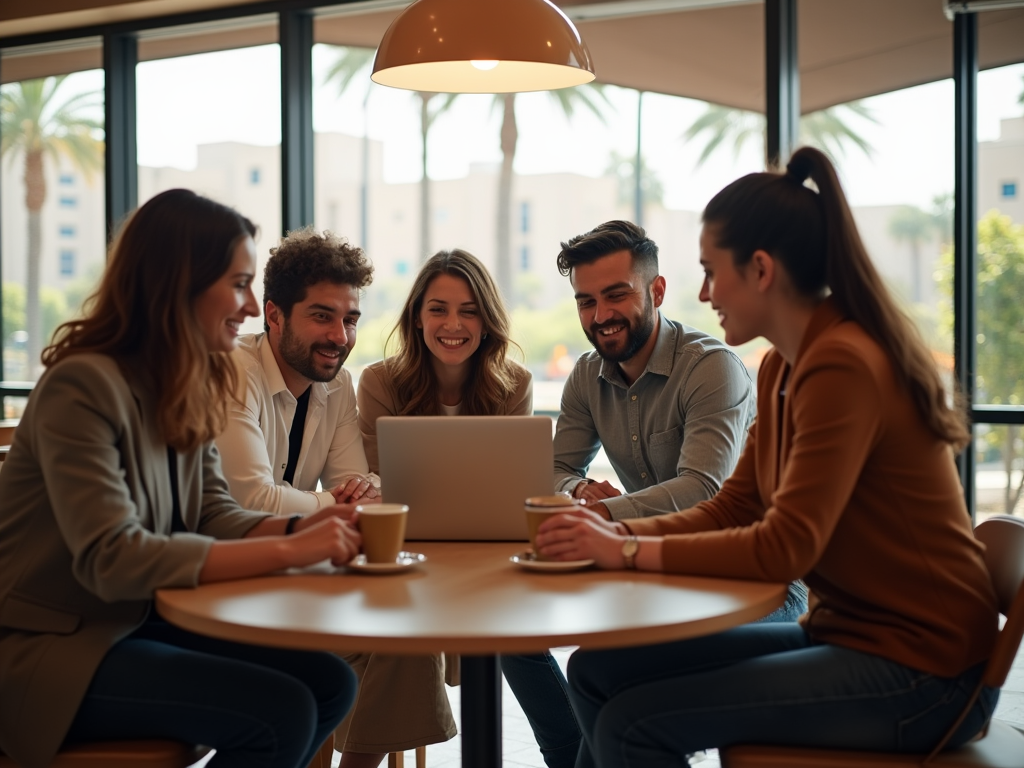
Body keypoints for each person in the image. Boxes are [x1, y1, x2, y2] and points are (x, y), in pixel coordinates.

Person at [535, 148, 1000, 768]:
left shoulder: (841, 362)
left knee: (633, 723)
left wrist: (621, 546)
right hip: (844, 635)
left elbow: (785, 548)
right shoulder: (783, 364)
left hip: (925, 670)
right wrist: (609, 527)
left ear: (759, 269)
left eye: (710, 271)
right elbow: (737, 503)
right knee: (597, 671)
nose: (703, 293)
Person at [0, 189, 362, 768]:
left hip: (134, 624)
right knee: (281, 710)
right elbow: (112, 557)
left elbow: (214, 513)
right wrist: (292, 546)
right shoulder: (83, 385)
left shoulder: (184, 381)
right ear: (180, 282)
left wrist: (307, 526)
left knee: (330, 682)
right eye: (239, 284)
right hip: (52, 651)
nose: (250, 308)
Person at [215, 227, 454, 768]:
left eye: (350, 320)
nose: (340, 336)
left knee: (407, 631)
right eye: (322, 316)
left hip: (297, 575)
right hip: (234, 584)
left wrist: (357, 494)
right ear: (273, 315)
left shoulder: (336, 385)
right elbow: (250, 500)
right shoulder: (235, 373)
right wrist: (340, 504)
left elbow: (357, 484)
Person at [357, 249, 581, 768]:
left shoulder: (514, 384)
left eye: (469, 310)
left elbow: (506, 494)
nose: (453, 324)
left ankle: (571, 760)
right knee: (405, 625)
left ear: (487, 320)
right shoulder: (378, 382)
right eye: (438, 309)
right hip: (408, 557)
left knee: (513, 631)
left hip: (487, 555)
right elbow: (382, 488)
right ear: (417, 316)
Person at [553, 219, 805, 620]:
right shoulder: (586, 375)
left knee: (616, 661)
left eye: (616, 295)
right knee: (516, 640)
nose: (600, 315)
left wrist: (606, 516)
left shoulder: (711, 368)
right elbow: (556, 469)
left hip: (755, 583)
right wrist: (579, 488)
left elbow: (704, 488)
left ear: (657, 291)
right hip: (654, 566)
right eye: (586, 302)